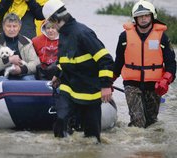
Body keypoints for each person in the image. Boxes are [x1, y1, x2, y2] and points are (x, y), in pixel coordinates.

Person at [42, 0, 114, 142]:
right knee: (61, 122)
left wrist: (106, 85)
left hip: (89, 91)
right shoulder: (64, 33)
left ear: (55, 20)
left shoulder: (83, 33)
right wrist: (58, 75)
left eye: (51, 22)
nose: (51, 27)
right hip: (69, 86)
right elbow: (66, 60)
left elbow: (105, 59)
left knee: (92, 138)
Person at [113, 0, 176, 128]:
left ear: (152, 16)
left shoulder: (162, 37)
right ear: (135, 18)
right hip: (131, 85)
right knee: (138, 121)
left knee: (152, 122)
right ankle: (135, 145)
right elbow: (118, 63)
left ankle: (150, 147)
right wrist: (107, 82)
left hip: (155, 86)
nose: (143, 19)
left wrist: (166, 80)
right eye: (140, 16)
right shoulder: (124, 37)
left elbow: (171, 63)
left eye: (146, 15)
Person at [0, 13, 40, 89]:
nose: (12, 29)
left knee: (30, 81)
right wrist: (9, 60)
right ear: (3, 27)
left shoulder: (26, 42)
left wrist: (21, 69)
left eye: (15, 26)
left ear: (19, 27)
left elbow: (35, 63)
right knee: (4, 84)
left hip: (22, 75)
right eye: (8, 26)